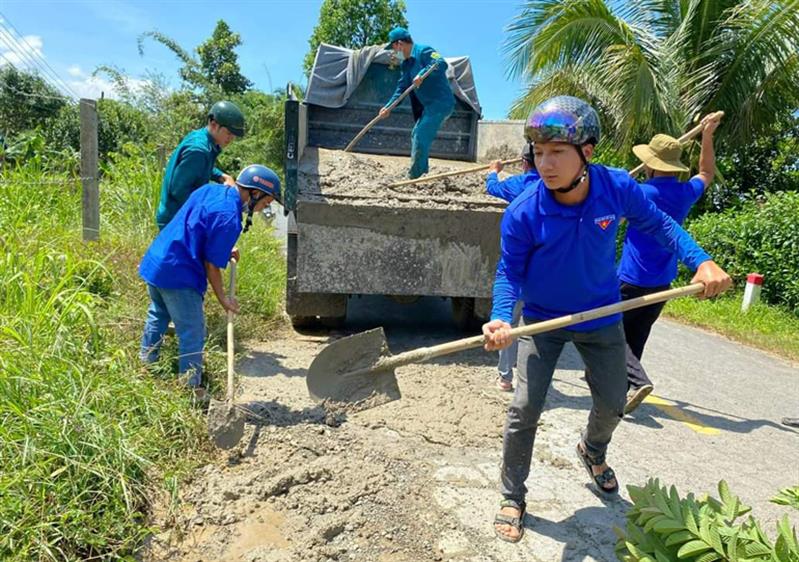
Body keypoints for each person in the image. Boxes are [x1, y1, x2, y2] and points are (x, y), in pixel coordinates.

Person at [482, 96, 731, 543]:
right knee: (524, 409)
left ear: (587, 153)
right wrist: (502, 319)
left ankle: (592, 449)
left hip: (600, 314)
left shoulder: (616, 188)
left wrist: (702, 261)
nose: (546, 163)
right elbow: (508, 273)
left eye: (557, 152)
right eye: (539, 152)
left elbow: (661, 225)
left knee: (614, 400)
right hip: (542, 320)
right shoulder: (524, 211)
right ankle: (513, 495)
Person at [140, 164, 281, 402]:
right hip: (178, 273)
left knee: (159, 315)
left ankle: (145, 368)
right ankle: (190, 389)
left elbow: (200, 226)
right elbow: (211, 266)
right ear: (255, 193)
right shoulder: (229, 218)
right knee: (192, 330)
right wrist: (224, 299)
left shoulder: (213, 190)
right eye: (266, 202)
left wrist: (225, 247)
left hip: (157, 262)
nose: (264, 208)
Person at [618, 117, 721, 414]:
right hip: (662, 281)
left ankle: (637, 382)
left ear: (649, 163)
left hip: (630, 278)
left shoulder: (640, 193)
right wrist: (707, 136)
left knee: (610, 333)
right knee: (636, 338)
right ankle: (622, 394)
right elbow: (706, 171)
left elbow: (612, 215)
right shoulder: (685, 193)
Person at [486, 144, 540, 391]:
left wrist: (493, 171)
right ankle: (532, 380)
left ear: (524, 162)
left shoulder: (520, 184)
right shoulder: (556, 188)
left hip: (519, 268)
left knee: (508, 324)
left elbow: (492, 187)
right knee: (534, 325)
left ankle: (506, 378)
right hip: (545, 271)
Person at [155, 100, 246, 229]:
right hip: (176, 220)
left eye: (234, 135)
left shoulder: (202, 139)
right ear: (214, 124)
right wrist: (207, 212)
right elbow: (179, 191)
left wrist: (222, 176)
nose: (231, 139)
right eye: (229, 133)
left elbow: (200, 168)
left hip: (183, 216)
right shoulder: (198, 150)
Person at [380, 26, 455, 179]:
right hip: (429, 107)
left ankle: (415, 176)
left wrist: (422, 74)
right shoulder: (406, 65)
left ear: (399, 44)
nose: (394, 53)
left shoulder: (424, 51)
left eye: (393, 49)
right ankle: (421, 173)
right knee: (416, 133)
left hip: (441, 103)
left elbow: (441, 63)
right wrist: (388, 107)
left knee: (420, 134)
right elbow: (401, 88)